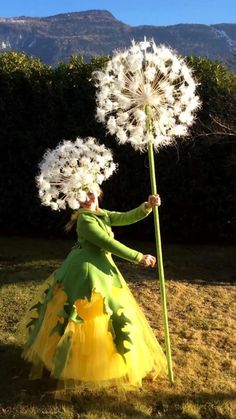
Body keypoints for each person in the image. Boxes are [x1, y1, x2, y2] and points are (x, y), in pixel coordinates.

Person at [22, 191, 167, 390]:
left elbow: (125, 217)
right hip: (86, 272)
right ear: (76, 200)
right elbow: (108, 242)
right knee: (84, 312)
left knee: (110, 310)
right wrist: (138, 257)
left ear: (99, 192)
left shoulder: (102, 213)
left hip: (102, 267)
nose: (89, 197)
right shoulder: (85, 221)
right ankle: (76, 363)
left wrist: (147, 207)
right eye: (83, 195)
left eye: (92, 192)